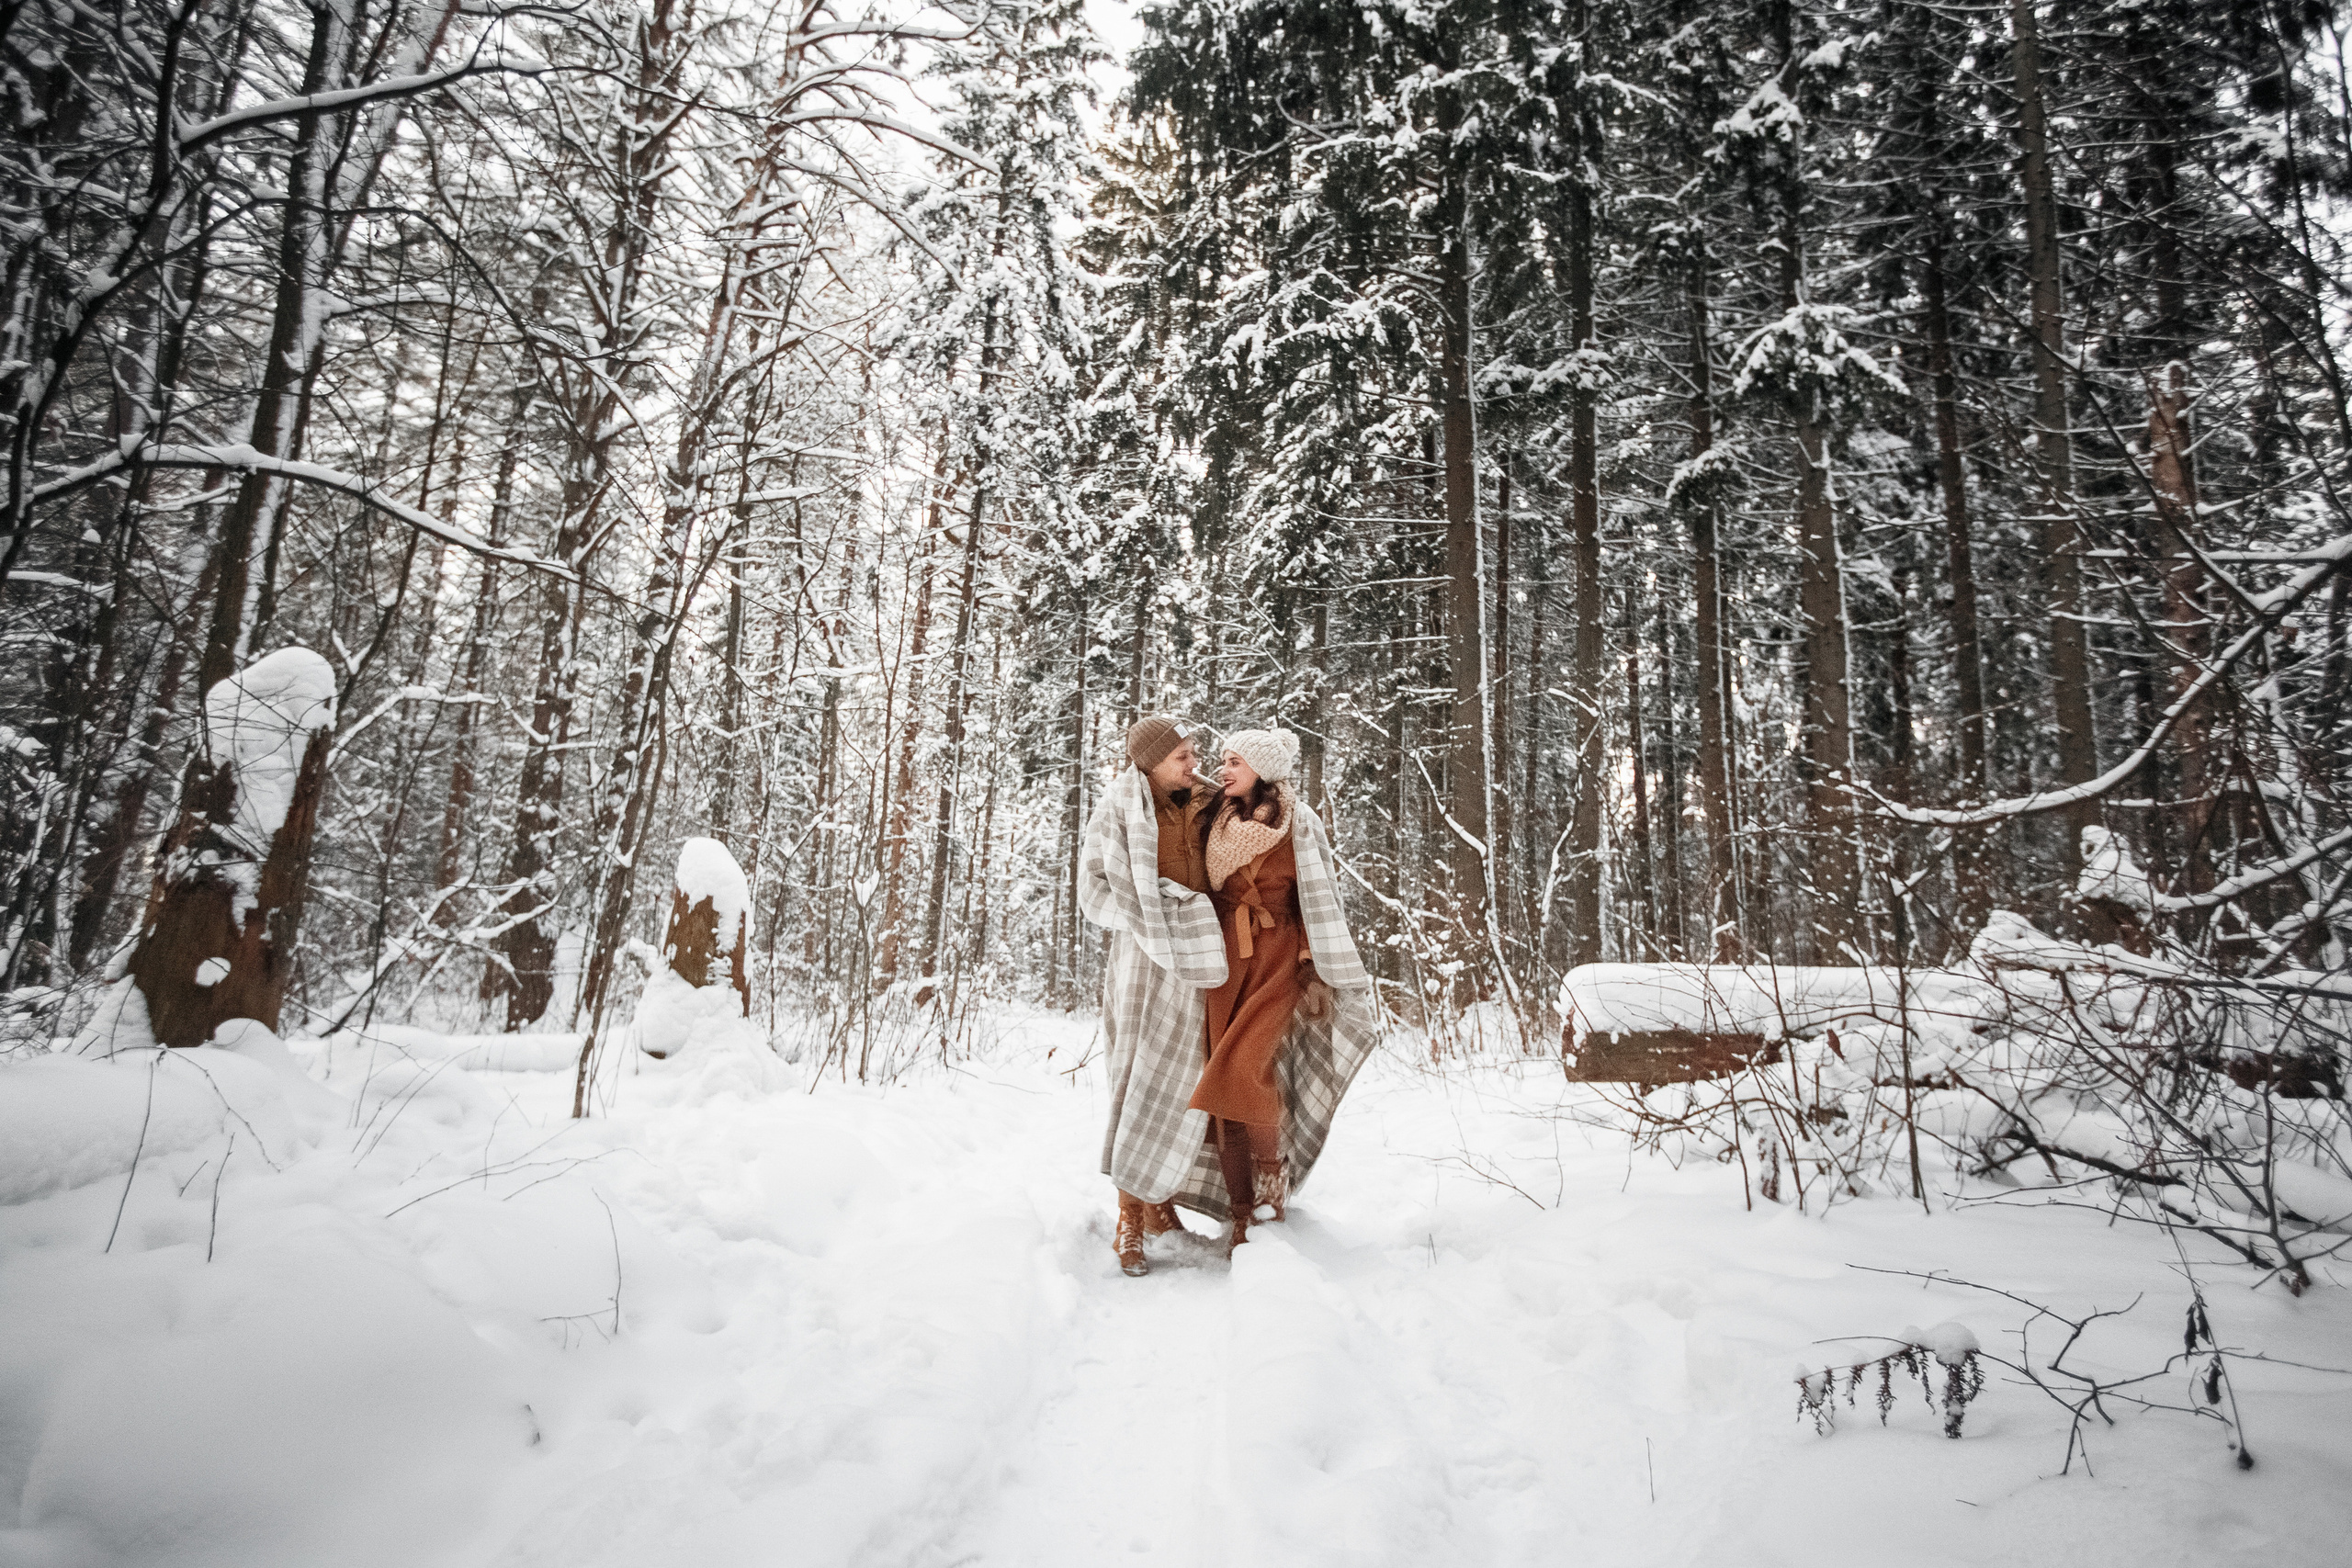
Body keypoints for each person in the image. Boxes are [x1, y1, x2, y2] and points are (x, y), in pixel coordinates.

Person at [1080, 716, 1380, 1271]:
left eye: (1198, 755)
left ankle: (1232, 1202)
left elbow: (1300, 875)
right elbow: (1095, 892)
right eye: (1182, 757)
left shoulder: (1210, 803)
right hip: (1154, 967)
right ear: (1149, 765)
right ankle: (1137, 1211)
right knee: (1141, 1083)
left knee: (1207, 1083)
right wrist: (1160, 912)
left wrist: (1313, 967)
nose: (1197, 765)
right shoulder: (1124, 811)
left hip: (1214, 964)